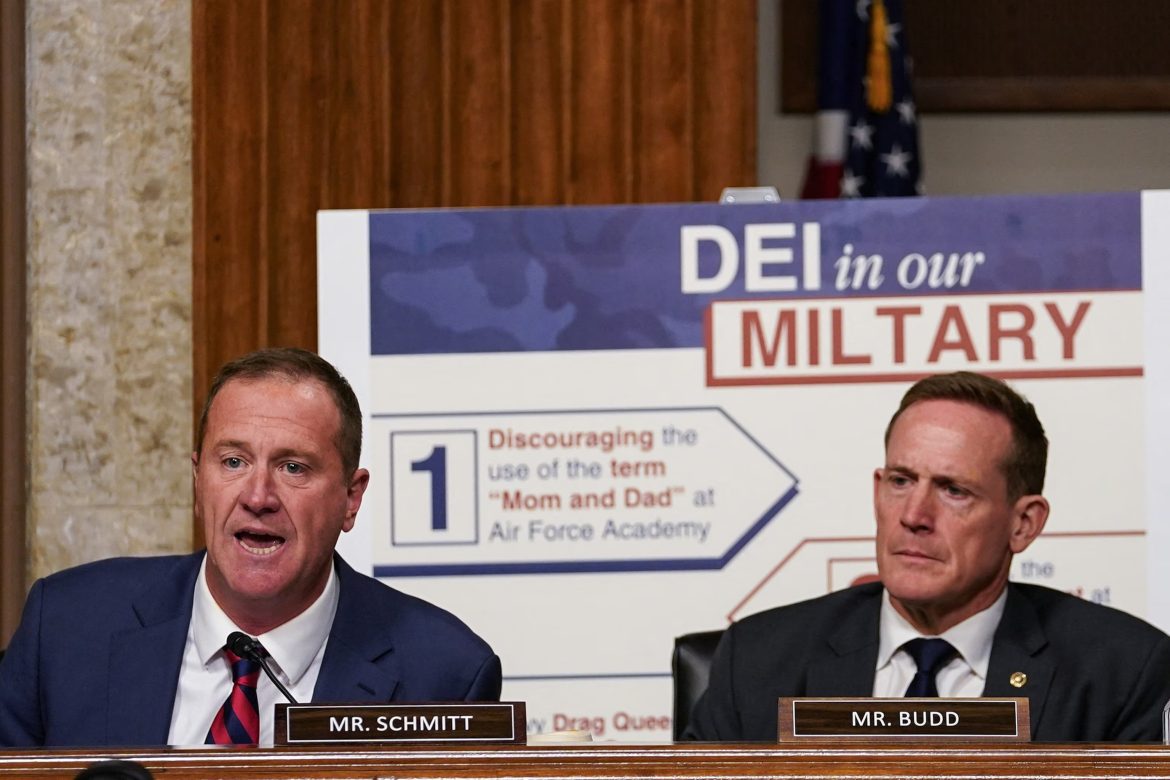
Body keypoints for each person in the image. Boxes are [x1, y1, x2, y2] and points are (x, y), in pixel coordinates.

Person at [0, 348, 501, 748]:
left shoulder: (444, 675)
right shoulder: (65, 628)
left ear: (351, 499)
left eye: (293, 468)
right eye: (233, 462)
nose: (258, 497)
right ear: (198, 481)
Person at [683, 371, 1170, 742]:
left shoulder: (1122, 671)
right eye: (901, 481)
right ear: (877, 491)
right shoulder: (758, 661)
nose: (914, 515)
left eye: (954, 490)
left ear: (1023, 523)